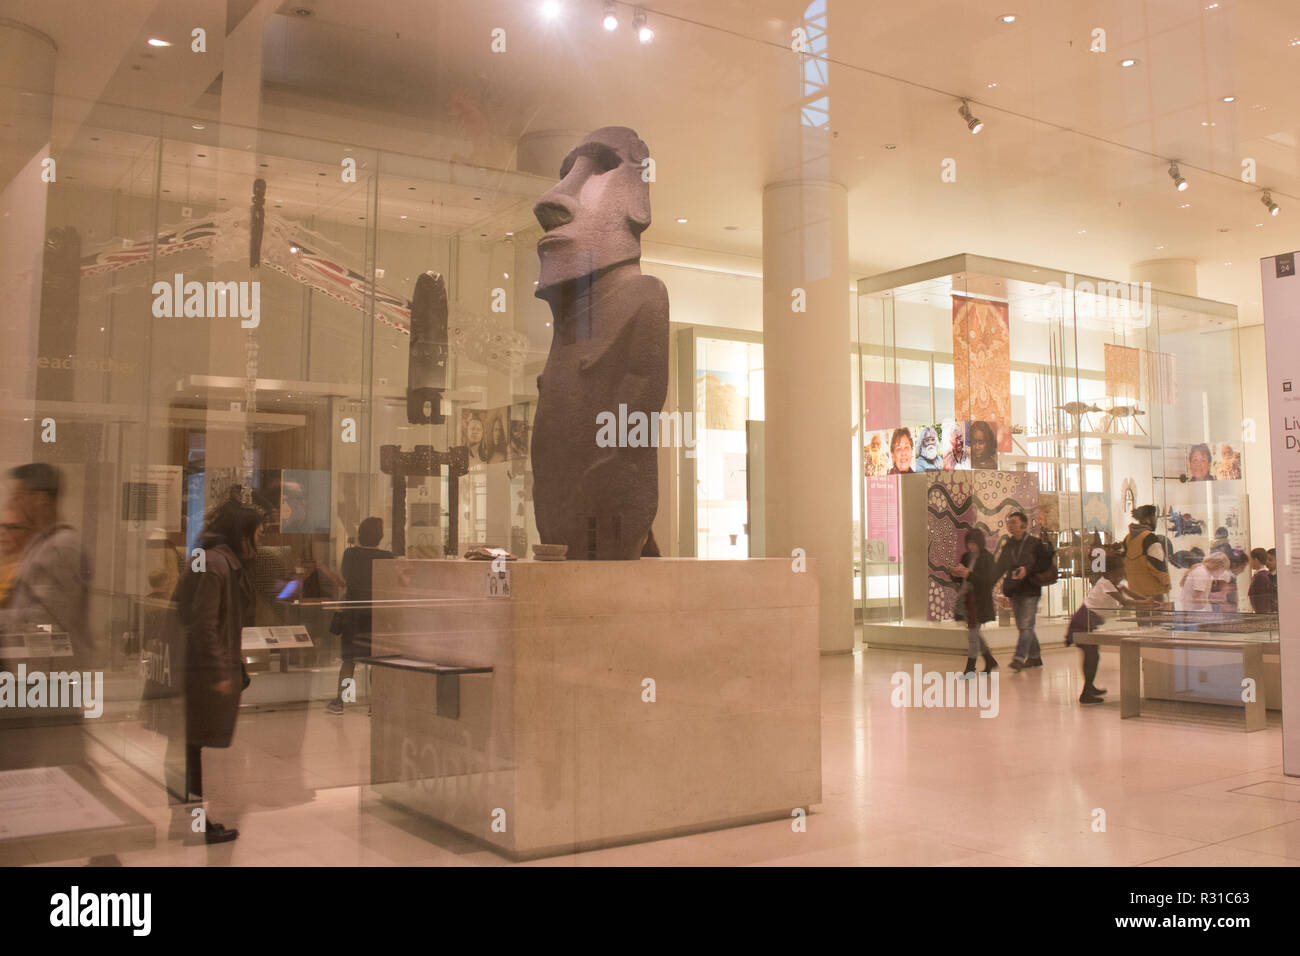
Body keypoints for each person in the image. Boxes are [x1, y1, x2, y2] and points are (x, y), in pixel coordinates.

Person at [175, 500, 263, 844]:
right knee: (192, 746)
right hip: (201, 669)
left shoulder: (214, 559)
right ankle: (198, 823)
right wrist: (219, 671)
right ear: (243, 535)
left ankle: (192, 819)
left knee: (190, 747)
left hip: (198, 666)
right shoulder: (216, 563)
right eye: (256, 533)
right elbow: (205, 623)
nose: (259, 539)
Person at [0, 464, 93, 666]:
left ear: (40, 499)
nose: (12, 503)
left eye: (19, 496)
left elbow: (46, 623)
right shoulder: (40, 543)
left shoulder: (62, 547)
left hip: (50, 681)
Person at [327, 517, 394, 715]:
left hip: (352, 613)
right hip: (375, 614)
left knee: (349, 660)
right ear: (380, 537)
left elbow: (346, 577)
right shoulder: (386, 557)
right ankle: (376, 704)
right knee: (376, 661)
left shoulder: (350, 554)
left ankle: (342, 700)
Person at [1065, 546, 1149, 704]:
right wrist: (1146, 604)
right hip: (1082, 623)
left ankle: (1089, 687)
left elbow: (1129, 593)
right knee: (1091, 656)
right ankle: (1086, 692)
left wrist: (1147, 601)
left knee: (1093, 656)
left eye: (1122, 574)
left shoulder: (1112, 582)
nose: (1120, 577)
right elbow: (1125, 601)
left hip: (1088, 622)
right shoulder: (1106, 584)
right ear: (1109, 573)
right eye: (1118, 575)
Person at [995, 510, 1053, 670]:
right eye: (1009, 522)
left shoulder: (1034, 543)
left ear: (1024, 525)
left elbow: (1044, 563)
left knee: (1026, 625)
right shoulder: (1009, 544)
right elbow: (1000, 566)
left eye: (1014, 522)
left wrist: (1027, 570)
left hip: (1030, 589)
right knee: (1024, 625)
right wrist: (988, 583)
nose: (1010, 525)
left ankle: (1019, 658)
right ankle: (1035, 657)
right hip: (1014, 589)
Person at [950, 527, 998, 677]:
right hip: (965, 600)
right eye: (969, 543)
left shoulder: (987, 558)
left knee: (972, 635)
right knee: (974, 634)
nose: (971, 547)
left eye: (974, 543)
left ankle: (970, 668)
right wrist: (955, 573)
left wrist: (969, 574)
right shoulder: (966, 557)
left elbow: (988, 581)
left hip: (979, 601)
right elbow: (961, 579)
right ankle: (989, 660)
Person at [1122, 505, 1171, 607]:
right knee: (1157, 622)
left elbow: (1124, 564)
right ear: (1148, 519)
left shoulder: (1128, 538)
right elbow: (1158, 565)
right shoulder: (1149, 538)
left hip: (1136, 592)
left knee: (1143, 622)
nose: (1155, 520)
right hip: (1154, 593)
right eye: (1154, 517)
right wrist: (1167, 584)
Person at [0, 507, 32, 608]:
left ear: (29, 532)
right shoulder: (4, 569)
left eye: (13, 527)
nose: (3, 532)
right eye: (1, 526)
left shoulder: (29, 571)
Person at [1248, 548, 1276, 612]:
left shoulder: (1261, 576)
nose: (1250, 562)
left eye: (1251, 560)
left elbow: (1262, 599)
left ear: (1256, 560)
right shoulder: (1261, 575)